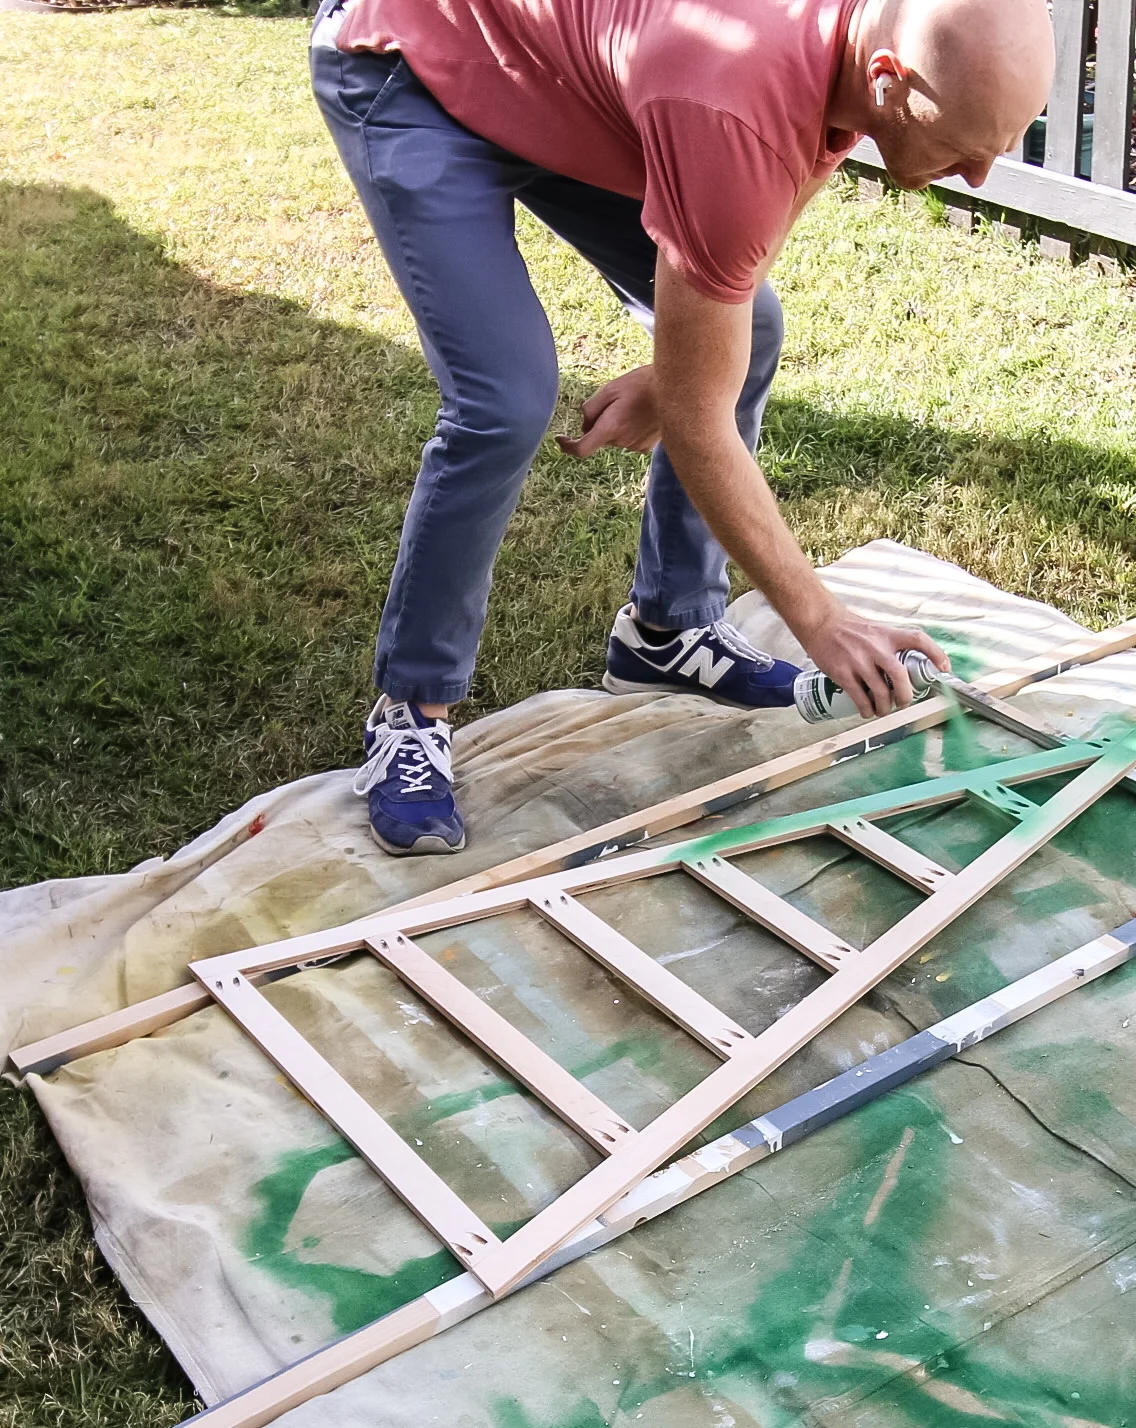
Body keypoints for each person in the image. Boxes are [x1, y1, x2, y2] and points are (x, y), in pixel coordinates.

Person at [313, 0, 1054, 854]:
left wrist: (678, 378)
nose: (981, 176)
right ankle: (411, 708)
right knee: (506, 397)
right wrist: (821, 620)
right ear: (887, 79)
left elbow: (763, 222)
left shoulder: (849, 50)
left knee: (751, 332)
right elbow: (703, 424)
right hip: (409, 61)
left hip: (556, 82)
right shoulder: (735, 100)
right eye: (970, 144)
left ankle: (667, 630)